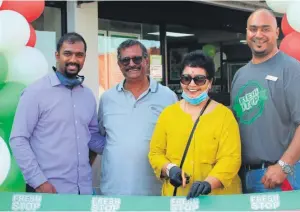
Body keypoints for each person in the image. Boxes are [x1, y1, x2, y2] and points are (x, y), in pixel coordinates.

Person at [230, 9, 300, 193]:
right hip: (249, 176)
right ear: (246, 32)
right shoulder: (240, 75)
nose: (258, 35)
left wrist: (284, 166)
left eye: (265, 29)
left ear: (277, 32)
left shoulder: (293, 71)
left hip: (287, 174)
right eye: (253, 29)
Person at [10, 32, 105, 194]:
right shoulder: (35, 92)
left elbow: (92, 137)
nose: (73, 59)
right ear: (57, 55)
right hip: (48, 191)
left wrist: (120, 145)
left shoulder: (88, 95)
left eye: (79, 55)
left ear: (84, 57)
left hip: (82, 191)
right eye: (67, 53)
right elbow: (18, 139)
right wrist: (38, 182)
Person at [149, 50, 242, 199]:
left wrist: (209, 183)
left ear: (210, 82)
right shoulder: (168, 114)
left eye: (199, 79)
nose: (192, 84)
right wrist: (170, 169)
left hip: (217, 200)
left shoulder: (224, 116)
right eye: (186, 79)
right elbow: (156, 153)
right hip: (178, 200)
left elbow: (231, 158)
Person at [98, 39, 178, 196]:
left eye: (137, 58)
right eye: (125, 60)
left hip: (154, 192)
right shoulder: (107, 99)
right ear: (119, 64)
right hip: (113, 190)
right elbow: (100, 137)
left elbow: (176, 140)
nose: (131, 63)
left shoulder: (168, 97)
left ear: (146, 60)